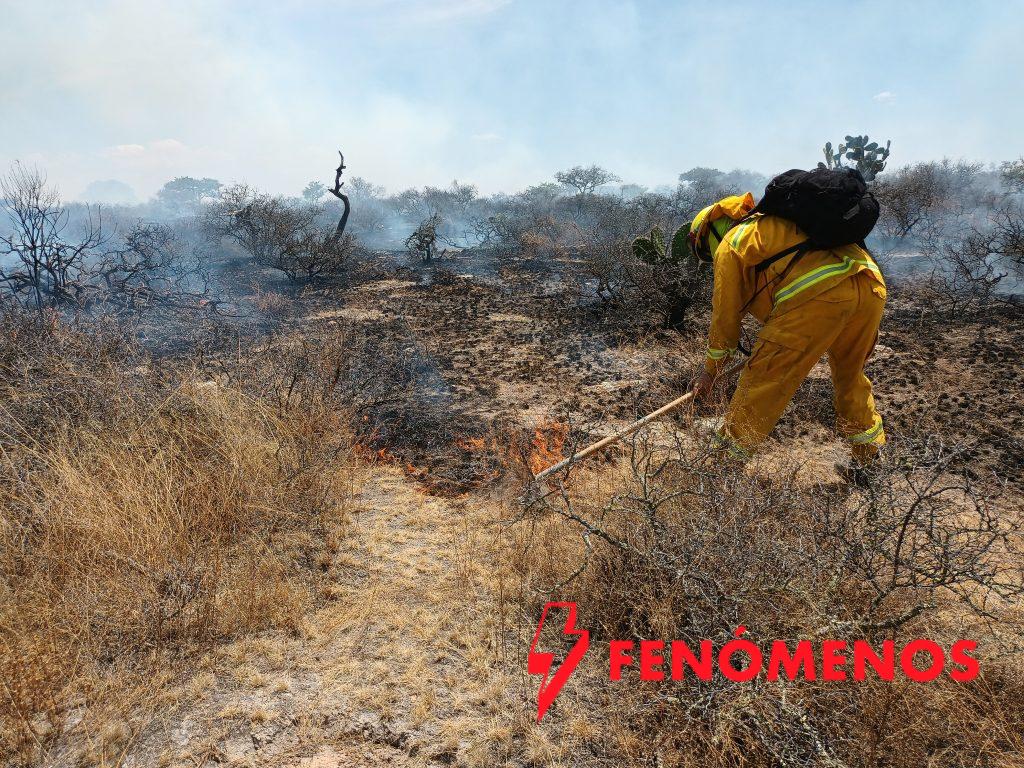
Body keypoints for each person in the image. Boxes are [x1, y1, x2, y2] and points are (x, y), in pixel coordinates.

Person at [687, 193, 887, 478]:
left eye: (705, 252)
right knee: (850, 376)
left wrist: (711, 372)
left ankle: (722, 471)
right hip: (870, 287)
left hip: (819, 294)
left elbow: (724, 320)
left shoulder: (733, 242)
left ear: (711, 230)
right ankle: (871, 462)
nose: (710, 258)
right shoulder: (779, 225)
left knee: (763, 379)